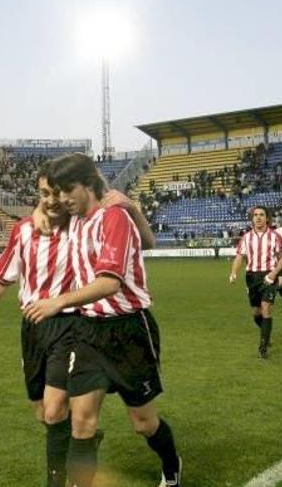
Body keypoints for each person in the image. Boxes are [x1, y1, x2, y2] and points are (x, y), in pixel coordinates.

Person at [0, 164, 153, 487]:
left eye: (57, 193)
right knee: (46, 414)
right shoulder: (23, 230)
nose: (52, 201)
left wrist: (129, 208)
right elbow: (2, 276)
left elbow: (119, 227)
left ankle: (58, 478)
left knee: (54, 410)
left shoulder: (78, 225)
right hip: (33, 328)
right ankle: (83, 443)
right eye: (44, 195)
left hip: (68, 325)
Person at [23, 154, 182, 487]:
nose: (63, 199)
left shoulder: (114, 218)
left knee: (143, 423)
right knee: (81, 424)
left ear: (88, 185)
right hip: (88, 332)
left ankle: (171, 465)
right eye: (58, 192)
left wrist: (58, 301)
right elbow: (47, 211)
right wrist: (39, 209)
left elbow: (110, 282)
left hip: (129, 331)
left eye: (69, 190)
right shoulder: (74, 217)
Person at [229, 206, 282, 359]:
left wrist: (273, 274)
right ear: (252, 218)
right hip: (252, 277)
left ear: (267, 218)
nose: (258, 217)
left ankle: (263, 346)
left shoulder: (275, 236)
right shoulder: (246, 237)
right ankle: (266, 333)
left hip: (268, 276)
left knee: (266, 308)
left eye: (262, 215)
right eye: (255, 215)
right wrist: (234, 272)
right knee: (256, 313)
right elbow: (239, 256)